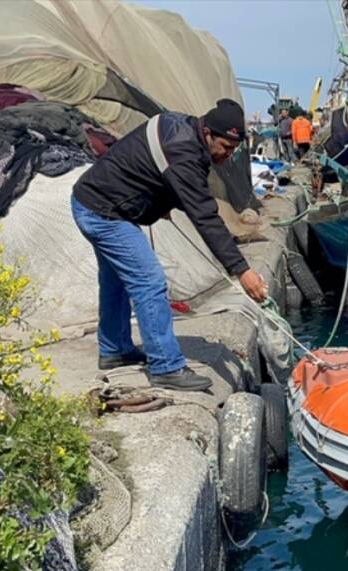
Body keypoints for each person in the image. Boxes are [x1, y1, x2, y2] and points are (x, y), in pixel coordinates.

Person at [71, 99, 267, 392]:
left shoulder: (184, 127)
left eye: (234, 149)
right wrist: (242, 270)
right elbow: (205, 217)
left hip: (97, 201)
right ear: (209, 133)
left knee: (115, 282)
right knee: (149, 281)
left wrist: (159, 200)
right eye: (225, 148)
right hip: (104, 212)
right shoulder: (184, 150)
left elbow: (153, 166)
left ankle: (115, 349)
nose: (228, 155)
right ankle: (165, 366)